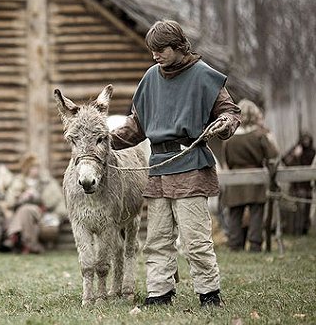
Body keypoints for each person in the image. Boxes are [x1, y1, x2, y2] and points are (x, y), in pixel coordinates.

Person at [110, 20, 241, 307]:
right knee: (157, 238)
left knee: (194, 239)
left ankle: (209, 293)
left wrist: (224, 124)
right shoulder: (150, 78)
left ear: (179, 46)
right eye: (152, 50)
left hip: (190, 165)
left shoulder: (204, 76)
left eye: (161, 50)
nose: (155, 55)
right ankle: (159, 292)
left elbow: (230, 112)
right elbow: (136, 125)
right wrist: (104, 142)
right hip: (157, 167)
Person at [221, 100, 279, 251]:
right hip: (256, 178)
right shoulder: (260, 135)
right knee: (256, 213)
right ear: (255, 115)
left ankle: (235, 245)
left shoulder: (229, 138)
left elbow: (227, 160)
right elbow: (273, 155)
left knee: (235, 213)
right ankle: (254, 244)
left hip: (235, 179)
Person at [3, 153, 66, 254]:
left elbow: (56, 200)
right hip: (22, 213)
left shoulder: (47, 181)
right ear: (27, 169)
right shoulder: (18, 181)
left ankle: (12, 234)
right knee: (25, 210)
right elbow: (9, 201)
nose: (35, 170)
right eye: (33, 167)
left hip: (41, 212)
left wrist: (38, 196)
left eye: (37, 167)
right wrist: (22, 197)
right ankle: (32, 245)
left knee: (27, 209)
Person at [281, 132, 316, 235]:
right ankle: (296, 231)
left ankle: (304, 229)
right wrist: (295, 155)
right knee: (297, 210)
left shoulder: (312, 152)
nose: (306, 142)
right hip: (296, 186)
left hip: (307, 186)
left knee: (306, 209)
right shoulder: (295, 150)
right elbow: (286, 162)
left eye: (307, 140)